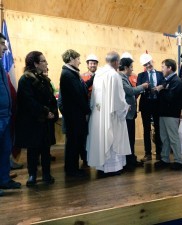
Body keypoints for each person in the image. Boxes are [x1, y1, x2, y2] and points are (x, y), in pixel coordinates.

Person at [15, 51, 58, 186]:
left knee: (46, 150)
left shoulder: (44, 79)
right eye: (44, 61)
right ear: (35, 63)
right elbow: (28, 101)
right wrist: (45, 112)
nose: (46, 63)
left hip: (45, 121)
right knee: (33, 150)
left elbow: (51, 98)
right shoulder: (25, 80)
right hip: (32, 121)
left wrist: (52, 112)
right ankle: (32, 175)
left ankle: (46, 174)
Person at [86, 51, 131, 177]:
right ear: (116, 62)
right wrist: (126, 107)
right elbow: (118, 99)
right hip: (111, 115)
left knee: (102, 140)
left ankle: (102, 167)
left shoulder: (98, 74)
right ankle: (113, 168)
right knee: (112, 139)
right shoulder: (114, 75)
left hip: (98, 113)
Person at [60, 49, 90, 177]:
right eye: (78, 59)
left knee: (75, 142)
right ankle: (72, 169)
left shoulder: (72, 73)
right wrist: (88, 110)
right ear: (71, 59)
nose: (79, 61)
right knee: (73, 143)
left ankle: (72, 168)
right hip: (74, 116)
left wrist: (93, 79)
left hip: (75, 115)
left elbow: (81, 88)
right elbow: (77, 95)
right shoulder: (68, 74)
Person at [153, 59, 182, 170]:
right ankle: (165, 159)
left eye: (163, 67)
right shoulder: (164, 80)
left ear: (169, 68)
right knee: (164, 138)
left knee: (173, 138)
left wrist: (161, 89)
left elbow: (170, 97)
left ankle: (178, 160)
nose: (161, 69)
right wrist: (160, 89)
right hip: (163, 113)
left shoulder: (177, 81)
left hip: (171, 114)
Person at [0, 33, 21, 194]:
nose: (5, 48)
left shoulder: (1, 65)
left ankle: (4, 180)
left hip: (5, 116)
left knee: (5, 149)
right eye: (2, 44)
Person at [119, 57, 148, 170]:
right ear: (126, 67)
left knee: (131, 138)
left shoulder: (125, 77)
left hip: (130, 113)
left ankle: (131, 159)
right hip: (126, 114)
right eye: (131, 67)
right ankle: (129, 162)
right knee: (128, 139)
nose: (132, 69)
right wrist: (142, 86)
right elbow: (130, 91)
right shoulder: (121, 78)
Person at [137, 53, 164, 162]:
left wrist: (161, 87)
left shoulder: (160, 74)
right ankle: (147, 153)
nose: (148, 65)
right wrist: (145, 88)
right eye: (145, 64)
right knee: (146, 129)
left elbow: (165, 84)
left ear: (152, 61)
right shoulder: (141, 75)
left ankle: (159, 152)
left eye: (149, 63)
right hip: (146, 105)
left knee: (158, 128)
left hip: (158, 105)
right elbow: (139, 88)